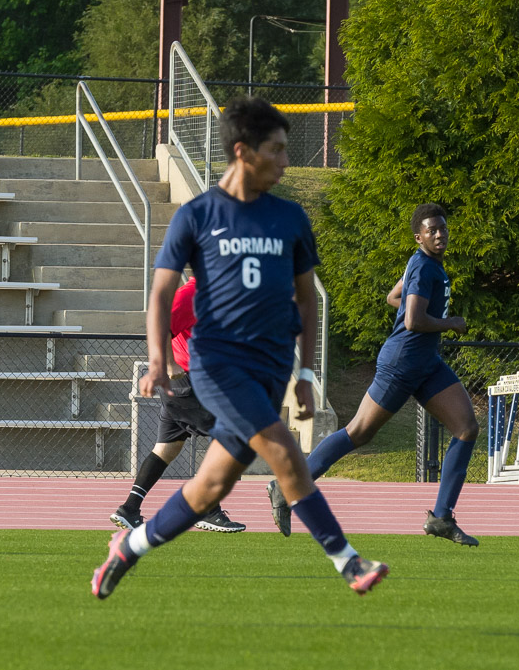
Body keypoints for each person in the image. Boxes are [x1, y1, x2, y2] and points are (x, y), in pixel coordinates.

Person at [92, 96, 388, 599]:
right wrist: (159, 359)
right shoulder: (198, 215)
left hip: (271, 367)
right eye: (275, 150)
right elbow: (162, 292)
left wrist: (308, 375)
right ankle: (348, 561)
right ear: (241, 151)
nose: (286, 161)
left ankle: (129, 546)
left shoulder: (290, 218)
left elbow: (306, 301)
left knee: (210, 487)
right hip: (217, 364)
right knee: (283, 450)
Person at [267, 203, 481, 546]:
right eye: (432, 231)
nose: (440, 234)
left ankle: (442, 517)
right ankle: (286, 485)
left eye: (442, 228)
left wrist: (422, 313)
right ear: (419, 237)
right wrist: (449, 323)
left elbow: (393, 296)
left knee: (467, 428)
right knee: (358, 432)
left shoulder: (423, 263)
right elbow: (413, 320)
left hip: (426, 363)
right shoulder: (424, 267)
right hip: (403, 363)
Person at [110, 277, 246, 534]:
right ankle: (208, 508)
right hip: (186, 382)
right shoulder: (192, 292)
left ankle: (129, 509)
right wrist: (169, 364)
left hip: (193, 382)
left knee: (166, 448)